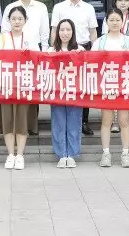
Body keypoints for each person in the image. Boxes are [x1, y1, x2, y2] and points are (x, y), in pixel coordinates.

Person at [2, 0, 50, 136]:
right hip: (12, 54)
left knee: (31, 89)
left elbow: (45, 32)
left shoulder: (41, 7)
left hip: (33, 53)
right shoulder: (11, 7)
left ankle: (31, 125)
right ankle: (13, 124)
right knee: (14, 89)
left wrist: (43, 52)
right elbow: (3, 31)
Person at [51, 0, 98, 136]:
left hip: (82, 50)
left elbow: (93, 32)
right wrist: (54, 50)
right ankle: (62, 119)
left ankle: (83, 121)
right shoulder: (59, 7)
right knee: (63, 85)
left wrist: (94, 53)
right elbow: (54, 30)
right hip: (62, 50)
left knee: (82, 86)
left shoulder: (88, 8)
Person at [93, 8, 129, 168]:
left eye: (117, 20)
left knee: (124, 121)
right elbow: (93, 65)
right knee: (107, 121)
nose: (114, 22)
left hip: (124, 85)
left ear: (122, 21)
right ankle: (106, 153)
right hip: (107, 85)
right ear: (106, 22)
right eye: (111, 20)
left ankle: (125, 153)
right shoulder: (100, 42)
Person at [0, 6, 32, 170]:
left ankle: (20, 155)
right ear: (8, 21)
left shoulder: (30, 38)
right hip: (6, 85)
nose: (17, 22)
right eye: (13, 19)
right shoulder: (1, 39)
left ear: (25, 21)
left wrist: (29, 53)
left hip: (24, 85)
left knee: (22, 120)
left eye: (20, 19)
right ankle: (10, 154)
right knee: (8, 120)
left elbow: (38, 62)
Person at [49, 19, 83, 168]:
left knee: (74, 122)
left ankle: (72, 154)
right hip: (57, 93)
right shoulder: (51, 51)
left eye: (68, 30)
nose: (65, 33)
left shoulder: (80, 49)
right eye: (62, 30)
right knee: (59, 122)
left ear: (73, 32)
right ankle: (61, 154)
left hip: (74, 92)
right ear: (57, 32)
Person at [110, 0, 129, 133]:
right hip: (113, 61)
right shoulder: (111, 17)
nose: (123, 3)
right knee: (114, 90)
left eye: (126, 0)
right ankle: (115, 122)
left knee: (128, 90)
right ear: (115, 2)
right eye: (120, 0)